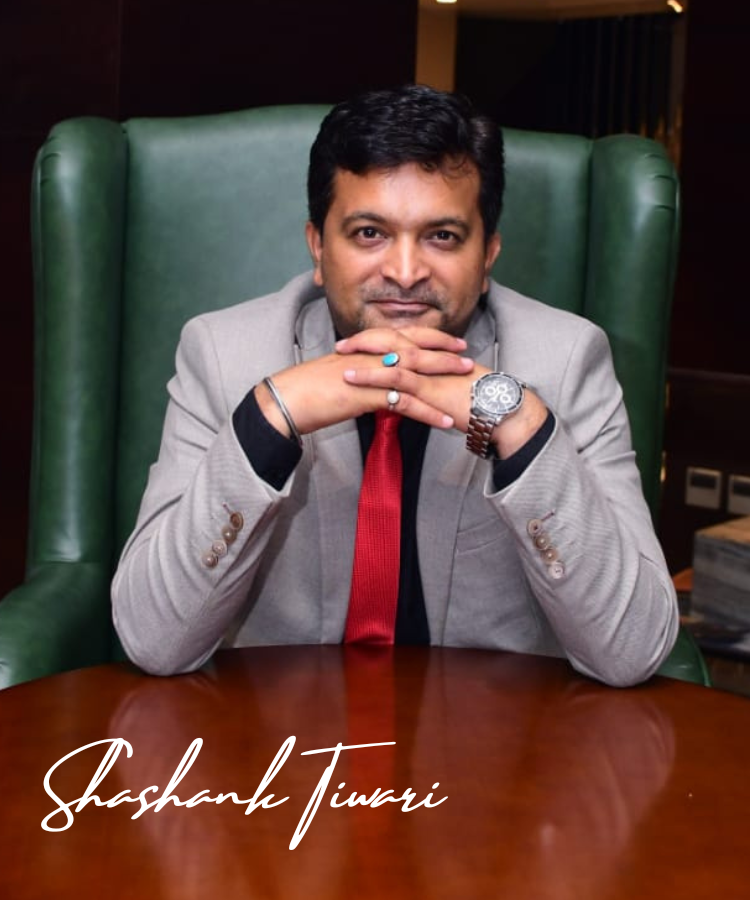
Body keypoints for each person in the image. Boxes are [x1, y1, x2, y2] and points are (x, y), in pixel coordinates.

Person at [112, 85, 679, 686]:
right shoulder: (224, 354)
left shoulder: (565, 360)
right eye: (368, 233)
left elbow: (633, 651)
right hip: (281, 730)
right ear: (317, 246)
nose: (405, 274)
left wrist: (518, 426)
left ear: (488, 254)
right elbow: (154, 641)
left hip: (491, 730)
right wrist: (269, 421)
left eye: (443, 236)